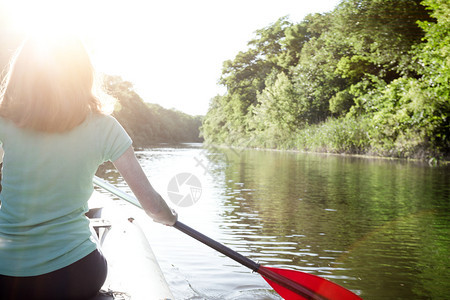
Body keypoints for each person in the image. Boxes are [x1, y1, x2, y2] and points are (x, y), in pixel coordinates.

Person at [0, 33, 177, 300]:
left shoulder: (5, 120)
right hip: (74, 276)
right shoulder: (105, 127)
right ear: (82, 72)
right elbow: (153, 207)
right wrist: (169, 215)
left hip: (7, 276)